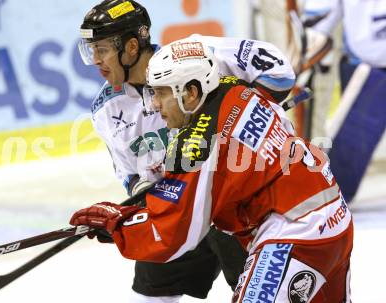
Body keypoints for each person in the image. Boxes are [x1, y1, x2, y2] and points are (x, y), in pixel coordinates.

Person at [70, 37, 353, 302]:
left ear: (191, 92)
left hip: (295, 233)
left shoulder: (196, 144)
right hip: (334, 216)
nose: (155, 105)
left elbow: (174, 234)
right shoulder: (235, 87)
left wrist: (117, 224)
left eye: (161, 93)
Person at [77, 0, 295, 301]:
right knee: (150, 296)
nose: (95, 60)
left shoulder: (195, 56)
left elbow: (278, 70)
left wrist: (252, 112)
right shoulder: (106, 109)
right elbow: (130, 173)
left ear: (130, 47)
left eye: (101, 50)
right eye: (91, 51)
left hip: (232, 205)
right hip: (178, 207)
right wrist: (137, 206)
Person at [310, 0, 386, 202]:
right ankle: (328, 199)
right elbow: (317, 19)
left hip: (364, 60)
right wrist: (312, 36)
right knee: (339, 180)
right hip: (365, 66)